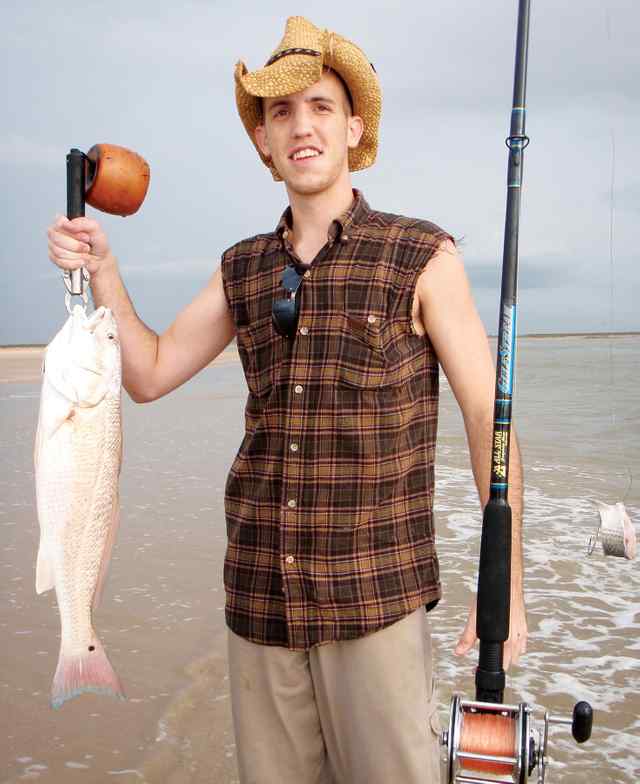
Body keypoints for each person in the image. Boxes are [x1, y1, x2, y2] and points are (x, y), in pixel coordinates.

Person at [47, 16, 527, 784]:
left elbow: (485, 417)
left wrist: (507, 588)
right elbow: (150, 372)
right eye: (281, 113)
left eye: (320, 107)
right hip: (260, 605)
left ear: (353, 128)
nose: (302, 126)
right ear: (264, 141)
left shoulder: (420, 255)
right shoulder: (241, 268)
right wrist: (103, 270)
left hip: (374, 603)